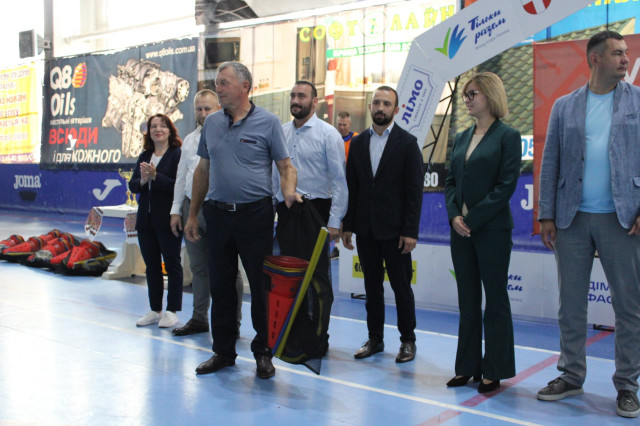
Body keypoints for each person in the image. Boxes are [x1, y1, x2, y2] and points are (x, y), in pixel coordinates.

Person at [537, 30, 640, 418]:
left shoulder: (637, 101)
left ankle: (627, 385)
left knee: (629, 307)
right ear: (595, 59)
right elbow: (551, 161)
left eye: (626, 53)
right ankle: (571, 375)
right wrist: (547, 214)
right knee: (571, 306)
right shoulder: (564, 106)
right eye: (617, 53)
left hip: (623, 219)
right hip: (571, 218)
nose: (625, 59)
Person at [184, 61, 301, 379]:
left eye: (223, 83)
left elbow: (286, 167)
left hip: (255, 216)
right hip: (218, 215)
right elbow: (203, 170)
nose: (218, 88)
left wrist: (289, 192)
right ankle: (223, 352)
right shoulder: (211, 124)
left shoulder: (268, 122)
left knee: (261, 289)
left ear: (245, 86)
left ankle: (263, 353)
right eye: (217, 83)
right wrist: (193, 214)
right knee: (221, 287)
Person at [444, 72, 521, 393]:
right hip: (460, 231)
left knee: (496, 299)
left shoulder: (508, 136)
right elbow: (450, 181)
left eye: (472, 94)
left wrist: (471, 219)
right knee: (468, 300)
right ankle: (467, 367)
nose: (467, 99)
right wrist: (454, 216)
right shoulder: (462, 137)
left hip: (492, 230)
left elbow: (506, 186)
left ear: (490, 95)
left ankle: (495, 369)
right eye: (465, 94)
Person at [342, 86, 423, 364]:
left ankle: (408, 341)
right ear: (370, 107)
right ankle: (375, 339)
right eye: (376, 102)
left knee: (401, 288)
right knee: (372, 288)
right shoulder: (358, 143)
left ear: (396, 110)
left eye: (386, 104)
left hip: (396, 232)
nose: (380, 107)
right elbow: (352, 187)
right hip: (366, 230)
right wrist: (348, 225)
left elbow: (414, 192)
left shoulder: (408, 143)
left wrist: (410, 231)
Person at [273, 81, 347, 354]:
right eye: (293, 95)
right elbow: (275, 175)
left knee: (317, 279)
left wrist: (335, 221)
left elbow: (339, 182)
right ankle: (294, 335)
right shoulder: (281, 133)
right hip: (287, 212)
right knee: (290, 276)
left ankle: (317, 339)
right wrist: (276, 205)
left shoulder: (328, 135)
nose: (296, 100)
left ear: (314, 101)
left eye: (302, 96)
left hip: (316, 211)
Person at [169, 89, 244, 337]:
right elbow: (181, 177)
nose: (203, 113)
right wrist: (176, 211)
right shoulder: (190, 140)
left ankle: (233, 323)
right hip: (192, 208)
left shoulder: (229, 136)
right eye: (199, 109)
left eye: (207, 108)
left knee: (228, 269)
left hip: (219, 208)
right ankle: (199, 318)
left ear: (218, 109)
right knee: (199, 268)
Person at [129, 113, 183, 328]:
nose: (158, 130)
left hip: (168, 219)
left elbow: (178, 185)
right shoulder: (145, 155)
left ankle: (172, 310)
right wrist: (143, 180)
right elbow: (133, 185)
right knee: (152, 266)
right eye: (153, 126)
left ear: (170, 131)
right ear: (149, 131)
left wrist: (156, 176)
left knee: (172, 264)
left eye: (162, 126)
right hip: (146, 220)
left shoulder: (177, 154)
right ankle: (155, 309)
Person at [332, 111, 359, 259]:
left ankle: (351, 244)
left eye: (344, 125)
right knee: (337, 216)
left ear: (350, 124)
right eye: (339, 124)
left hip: (352, 185)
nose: (342, 127)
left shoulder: (357, 139)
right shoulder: (332, 138)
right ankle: (337, 247)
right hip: (336, 184)